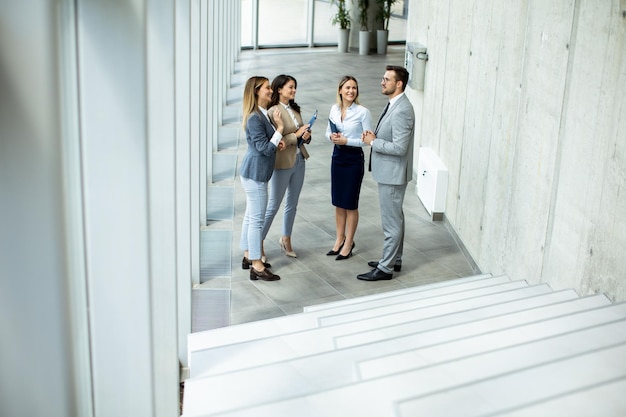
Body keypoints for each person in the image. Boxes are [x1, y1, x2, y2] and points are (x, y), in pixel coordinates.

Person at [357, 65, 415, 281]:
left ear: (399, 84)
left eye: (387, 79)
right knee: (396, 218)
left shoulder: (402, 110)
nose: (382, 82)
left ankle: (385, 268)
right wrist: (376, 135)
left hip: (392, 174)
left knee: (391, 222)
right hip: (390, 172)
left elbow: (400, 149)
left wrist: (374, 142)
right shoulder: (395, 104)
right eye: (383, 78)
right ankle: (394, 259)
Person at [239, 76, 286, 281]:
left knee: (251, 216)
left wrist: (277, 141)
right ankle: (257, 266)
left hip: (255, 172)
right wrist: (280, 129)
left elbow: (267, 143)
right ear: (256, 91)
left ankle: (248, 255)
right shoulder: (254, 118)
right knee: (257, 221)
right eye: (267, 88)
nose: (270, 90)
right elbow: (265, 149)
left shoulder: (262, 114)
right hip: (255, 174)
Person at [262, 74, 312, 258]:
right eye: (290, 87)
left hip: (299, 160)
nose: (294, 90)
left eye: (295, 87)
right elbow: (275, 141)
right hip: (282, 163)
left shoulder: (294, 108)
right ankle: (258, 243)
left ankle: (286, 239)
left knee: (292, 203)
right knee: (273, 205)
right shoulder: (273, 111)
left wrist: (306, 135)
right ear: (279, 89)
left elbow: (300, 133)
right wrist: (297, 135)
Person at [325, 76, 372, 261]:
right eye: (347, 87)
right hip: (337, 156)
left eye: (354, 88)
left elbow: (368, 140)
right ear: (340, 90)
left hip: (353, 159)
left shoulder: (363, 112)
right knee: (338, 202)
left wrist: (347, 141)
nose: (351, 91)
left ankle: (349, 242)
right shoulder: (334, 109)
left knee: (350, 203)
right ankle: (339, 239)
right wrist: (333, 137)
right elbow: (327, 131)